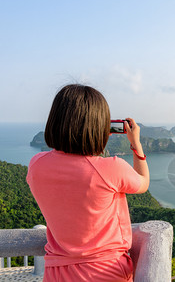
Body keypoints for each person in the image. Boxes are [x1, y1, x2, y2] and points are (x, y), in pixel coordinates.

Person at [26, 84, 150, 282]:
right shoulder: (111, 168)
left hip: (56, 273)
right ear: (99, 126)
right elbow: (143, 183)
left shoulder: (36, 165)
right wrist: (136, 144)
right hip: (106, 273)